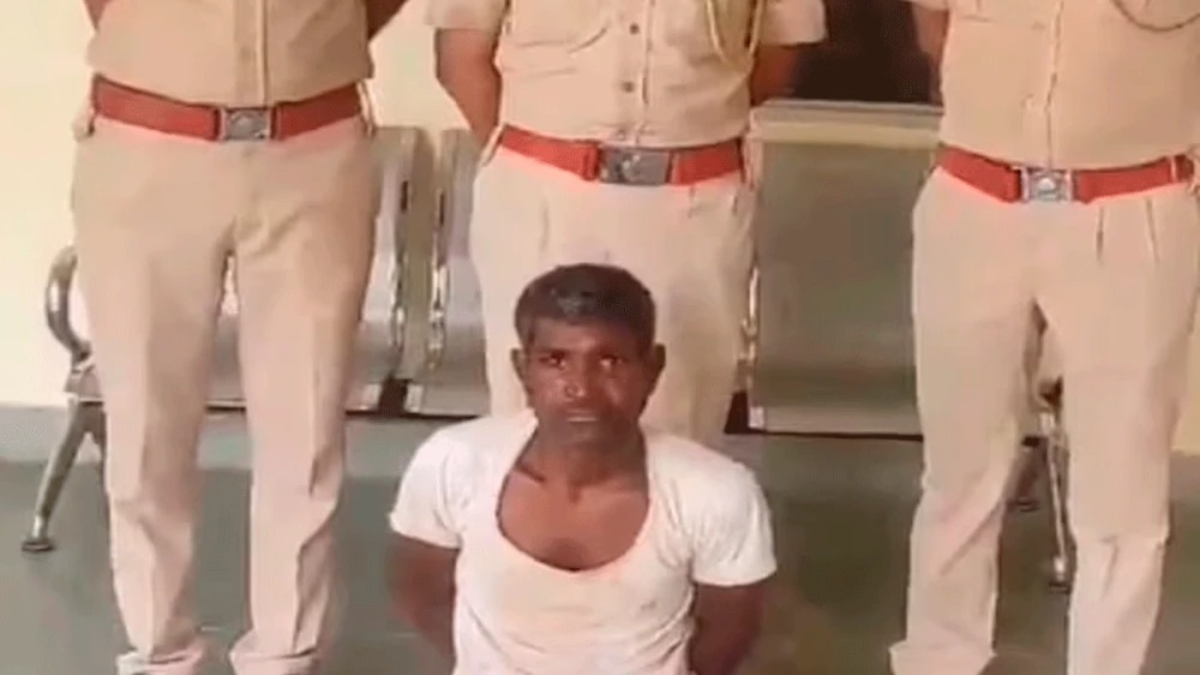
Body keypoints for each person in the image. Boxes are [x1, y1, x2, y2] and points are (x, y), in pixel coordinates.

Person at [72, 0, 406, 673]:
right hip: (148, 145)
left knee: (306, 425)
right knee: (146, 423)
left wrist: (312, 42)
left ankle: (285, 655)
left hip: (313, 150)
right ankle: (161, 653)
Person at [891, 3, 1200, 675]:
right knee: (959, 471)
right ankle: (940, 660)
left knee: (1122, 491)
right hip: (975, 199)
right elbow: (935, 26)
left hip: (1133, 205)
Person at [428, 0, 827, 444]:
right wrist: (544, 158)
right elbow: (460, 58)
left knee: (682, 424)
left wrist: (681, 128)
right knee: (531, 425)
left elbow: (777, 56)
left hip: (693, 203)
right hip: (543, 194)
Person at [387, 263, 776, 674]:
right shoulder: (453, 462)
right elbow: (423, 595)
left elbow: (728, 636)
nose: (582, 389)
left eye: (610, 361)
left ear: (652, 370)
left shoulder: (715, 492)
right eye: (555, 361)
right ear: (523, 371)